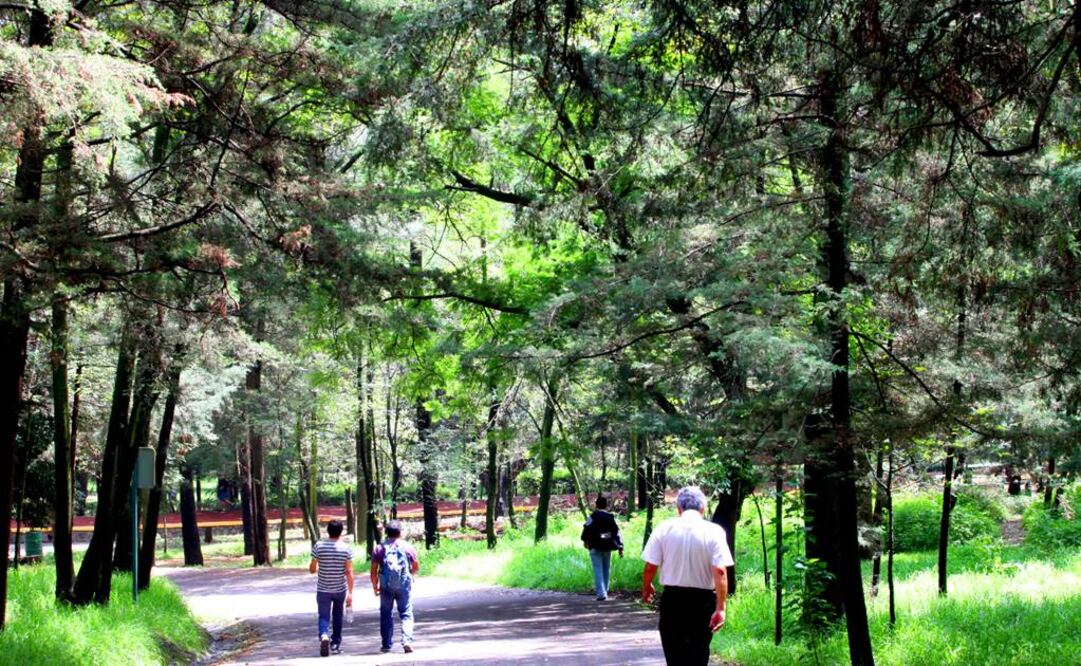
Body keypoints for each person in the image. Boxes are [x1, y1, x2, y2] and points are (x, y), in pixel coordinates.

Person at [641, 486, 733, 666]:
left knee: (674, 653)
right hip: (702, 602)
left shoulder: (664, 528)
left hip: (672, 600)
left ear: (678, 508)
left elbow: (650, 567)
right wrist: (721, 608)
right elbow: (720, 571)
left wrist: (646, 587)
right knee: (698, 654)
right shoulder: (715, 531)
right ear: (702, 508)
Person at [371, 519, 419, 654]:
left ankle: (386, 644)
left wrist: (375, 586)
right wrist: (411, 575)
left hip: (386, 586)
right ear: (400, 532)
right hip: (403, 585)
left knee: (386, 614)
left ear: (386, 533)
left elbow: (374, 570)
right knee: (406, 613)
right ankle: (407, 641)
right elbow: (415, 565)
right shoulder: (407, 547)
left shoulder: (379, 548)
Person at [309, 520, 354, 657]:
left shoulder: (319, 546)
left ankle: (324, 635)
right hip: (340, 589)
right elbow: (349, 571)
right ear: (341, 532)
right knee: (338, 615)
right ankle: (335, 645)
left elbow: (312, 569)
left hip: (323, 589)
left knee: (323, 615)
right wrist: (350, 592)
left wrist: (318, 565)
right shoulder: (346, 548)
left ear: (327, 531)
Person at [580, 495, 624, 600]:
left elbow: (586, 528)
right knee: (606, 568)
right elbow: (616, 532)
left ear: (596, 505)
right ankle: (605, 590)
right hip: (607, 546)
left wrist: (585, 540)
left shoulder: (593, 516)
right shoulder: (610, 517)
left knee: (598, 569)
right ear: (606, 505)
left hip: (594, 546)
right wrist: (620, 546)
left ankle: (601, 594)